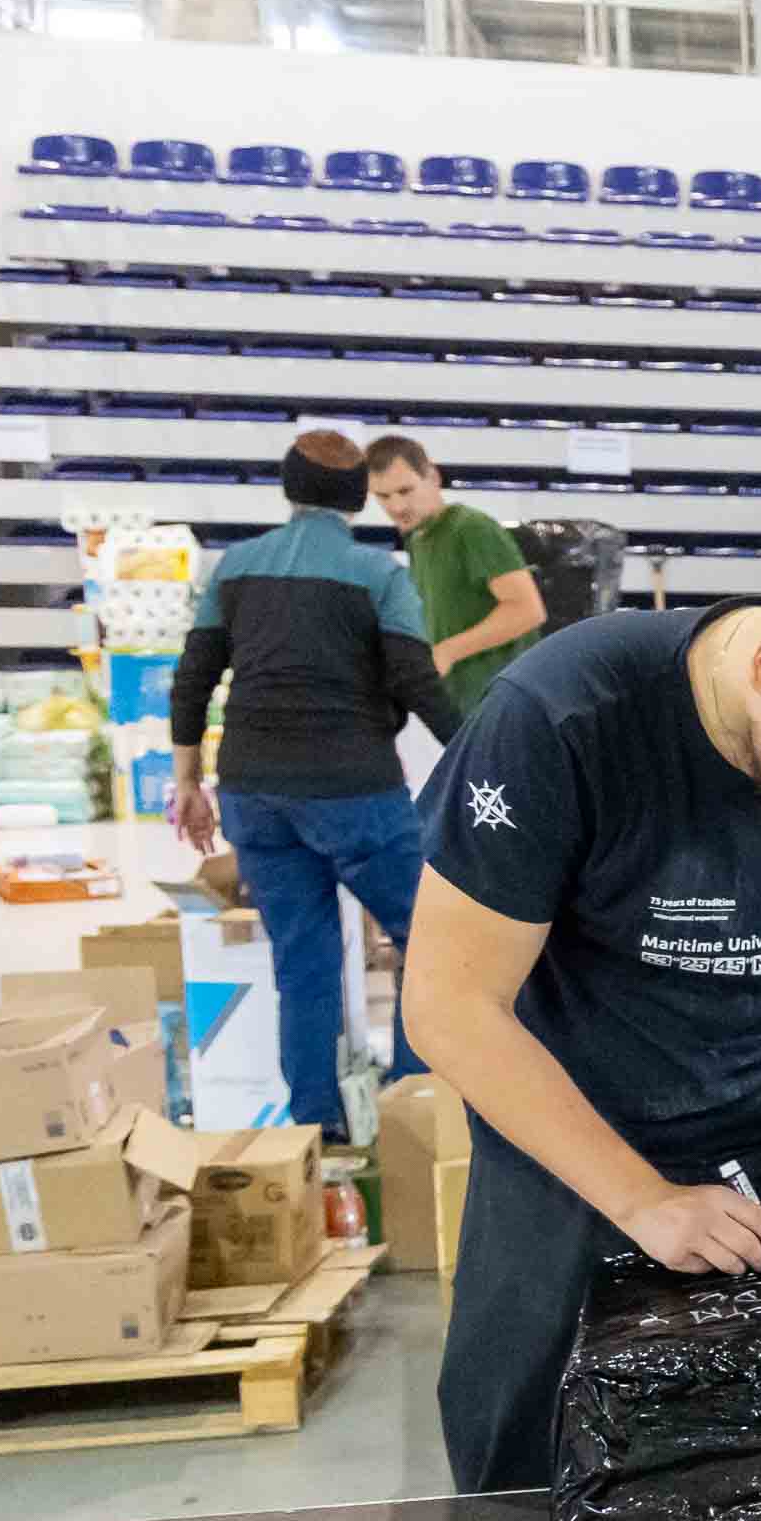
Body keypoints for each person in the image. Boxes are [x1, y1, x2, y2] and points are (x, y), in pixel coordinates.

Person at [402, 548, 761, 1493]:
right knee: (530, 1485)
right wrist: (639, 1198)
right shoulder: (563, 718)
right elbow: (448, 1002)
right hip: (575, 1146)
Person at [167, 428, 459, 1138]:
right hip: (353, 790)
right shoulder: (378, 574)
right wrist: (482, 759)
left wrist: (189, 784)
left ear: (288, 488)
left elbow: (193, 679)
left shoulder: (235, 567)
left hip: (253, 792)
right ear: (359, 496)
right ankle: (406, 1117)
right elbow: (417, 682)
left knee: (304, 962)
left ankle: (317, 1130)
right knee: (428, 939)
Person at [364, 434, 548, 719]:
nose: (396, 507)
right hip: (466, 705)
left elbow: (527, 610)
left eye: (405, 490)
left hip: (506, 705)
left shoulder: (471, 528)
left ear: (433, 476)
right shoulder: (418, 538)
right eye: (383, 496)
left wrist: (448, 651)